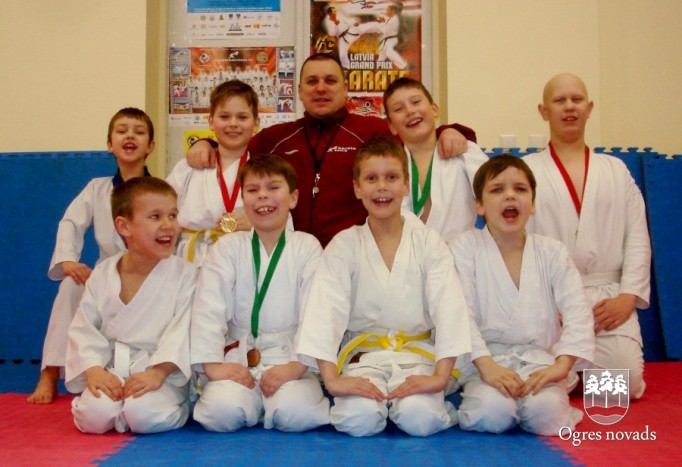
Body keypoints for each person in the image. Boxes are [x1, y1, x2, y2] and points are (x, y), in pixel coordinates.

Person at [186, 53, 476, 246]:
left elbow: (416, 138)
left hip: (357, 252)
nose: (321, 88)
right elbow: (235, 147)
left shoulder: (372, 131)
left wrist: (452, 131)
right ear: (299, 91)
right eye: (312, 82)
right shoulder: (275, 138)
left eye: (330, 81)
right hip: (292, 254)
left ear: (345, 89)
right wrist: (207, 144)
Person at [296, 136, 471, 437]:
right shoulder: (344, 245)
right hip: (363, 358)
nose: (381, 187)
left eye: (391, 177)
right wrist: (333, 381)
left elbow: (449, 308)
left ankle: (434, 407)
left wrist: (440, 377)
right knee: (358, 420)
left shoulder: (429, 242)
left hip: (419, 357)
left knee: (419, 419)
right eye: (371, 179)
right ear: (357, 188)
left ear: (406, 185)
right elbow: (324, 313)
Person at [524, 73, 651, 399]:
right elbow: (515, 242)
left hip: (607, 298)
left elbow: (637, 237)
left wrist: (627, 296)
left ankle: (571, 381)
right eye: (559, 100)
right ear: (543, 111)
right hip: (551, 301)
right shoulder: (527, 170)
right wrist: (540, 301)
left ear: (589, 108)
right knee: (530, 373)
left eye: (577, 99)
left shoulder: (615, 170)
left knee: (628, 383)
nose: (569, 106)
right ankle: (567, 378)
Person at [451, 155, 595, 436]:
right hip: (484, 362)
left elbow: (578, 310)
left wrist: (562, 365)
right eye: (497, 189)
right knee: (491, 414)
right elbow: (459, 312)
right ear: (479, 206)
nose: (510, 196)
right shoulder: (464, 247)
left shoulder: (552, 251)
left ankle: (545, 402)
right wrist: (486, 365)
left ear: (533, 203)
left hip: (540, 363)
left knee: (547, 416)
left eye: (520, 189)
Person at [191, 154, 330, 432]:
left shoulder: (307, 247)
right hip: (238, 357)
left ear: (293, 198)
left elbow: (317, 313)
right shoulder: (228, 247)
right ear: (243, 200)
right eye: (253, 190)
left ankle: (269, 402)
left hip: (289, 357)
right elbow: (208, 309)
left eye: (273, 187)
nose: (263, 196)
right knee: (220, 413)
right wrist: (214, 367)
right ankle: (252, 402)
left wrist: (296, 367)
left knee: (296, 415)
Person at [28, 108, 155, 404]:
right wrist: (68, 260)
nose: (130, 136)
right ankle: (49, 372)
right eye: (122, 131)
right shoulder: (97, 188)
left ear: (150, 145)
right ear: (109, 144)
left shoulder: (161, 189)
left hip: (150, 276)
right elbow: (71, 222)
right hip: (107, 274)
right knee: (70, 286)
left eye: (139, 132)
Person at [65, 177, 196, 434]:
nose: (168, 225)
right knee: (93, 417)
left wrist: (158, 372)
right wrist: (94, 371)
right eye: (155, 217)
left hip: (163, 374)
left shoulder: (186, 274)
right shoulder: (103, 274)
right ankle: (118, 411)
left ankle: (182, 404)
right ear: (124, 226)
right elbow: (84, 328)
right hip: (113, 370)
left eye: (172, 215)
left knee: (143, 415)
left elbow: (184, 331)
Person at [384, 77, 488, 244]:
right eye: (398, 109)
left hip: (459, 254)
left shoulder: (465, 152)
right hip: (408, 253)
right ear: (392, 127)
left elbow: (495, 197)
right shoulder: (387, 167)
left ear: (434, 109)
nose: (410, 111)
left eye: (416, 102)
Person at [167, 80, 257, 266]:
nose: (233, 124)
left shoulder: (264, 171)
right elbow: (163, 210)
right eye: (224, 117)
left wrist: (257, 224)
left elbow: (282, 221)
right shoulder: (188, 167)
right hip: (191, 260)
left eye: (242, 117)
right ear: (210, 121)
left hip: (244, 260)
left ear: (256, 122)